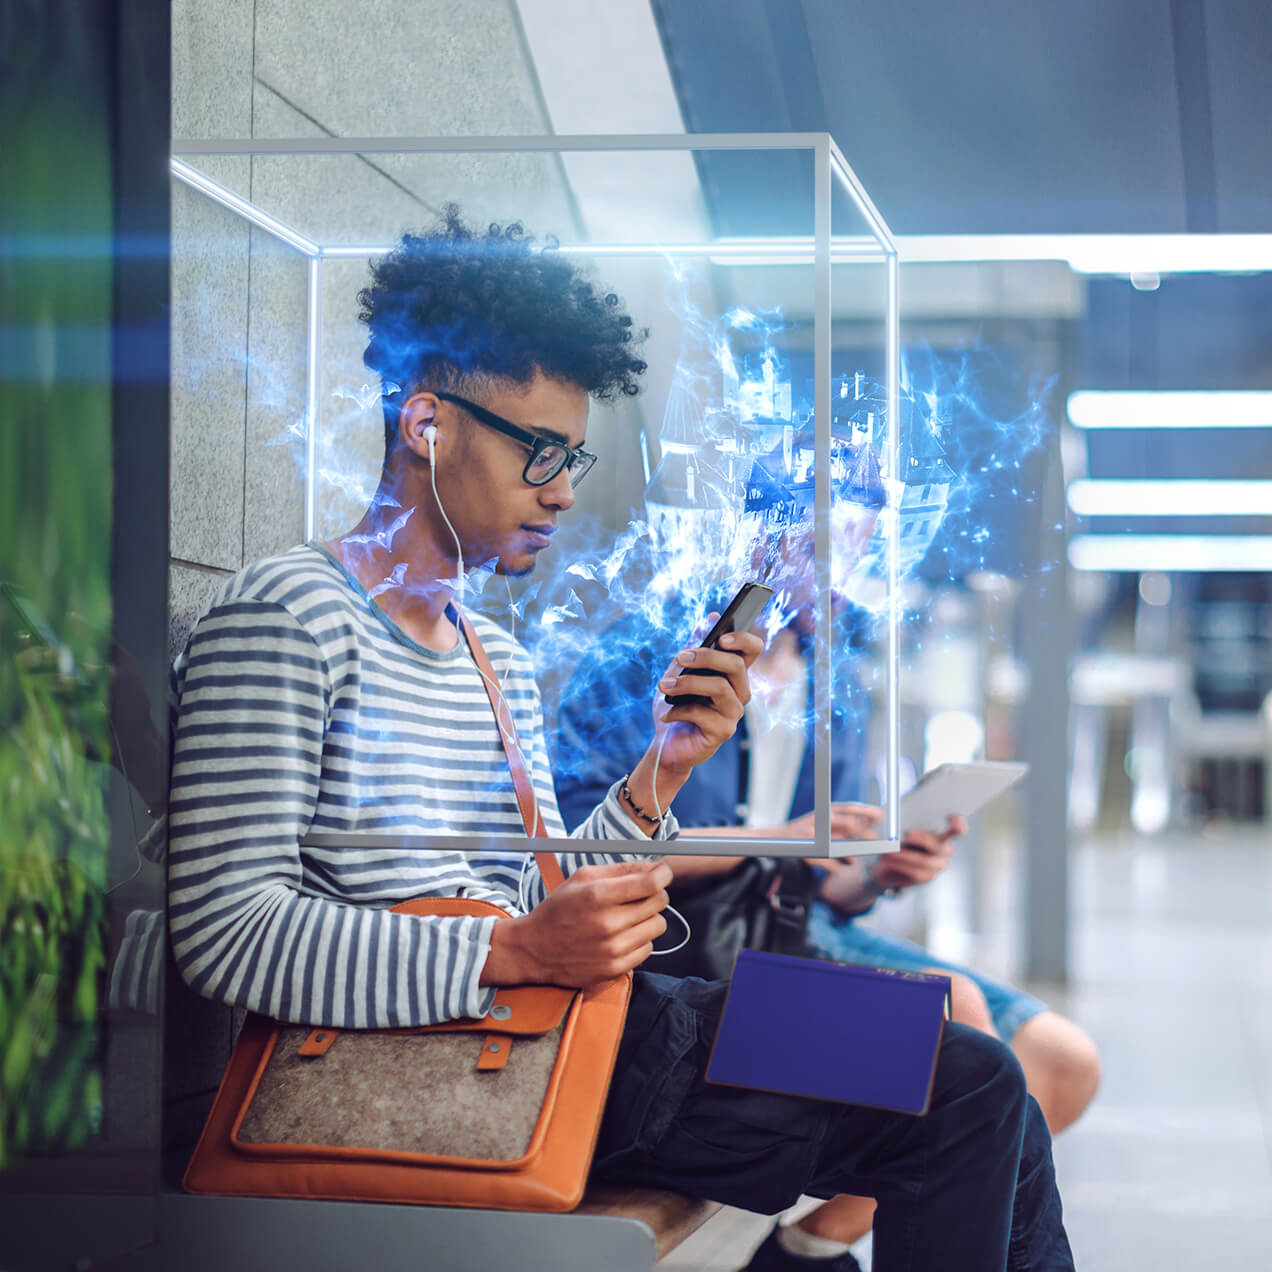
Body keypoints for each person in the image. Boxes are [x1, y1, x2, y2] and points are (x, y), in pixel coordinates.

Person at [167, 207, 1073, 1271]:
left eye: (576, 455)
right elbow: (224, 933)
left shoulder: (488, 654)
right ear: (428, 425)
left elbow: (547, 882)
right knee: (962, 1087)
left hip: (577, 1028)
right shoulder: (288, 616)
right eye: (539, 451)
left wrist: (663, 771)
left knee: (972, 1067)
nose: (561, 488)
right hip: (449, 1059)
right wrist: (509, 950)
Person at [556, 446, 1098, 1271]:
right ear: (761, 537)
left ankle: (810, 1247)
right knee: (965, 1039)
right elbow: (586, 859)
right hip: (683, 939)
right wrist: (796, 836)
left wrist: (878, 867)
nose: (842, 577)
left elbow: (822, 881)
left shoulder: (826, 669)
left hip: (787, 925)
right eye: (823, 551)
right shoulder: (651, 660)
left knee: (1061, 1064)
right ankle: (808, 1256)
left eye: (859, 551)